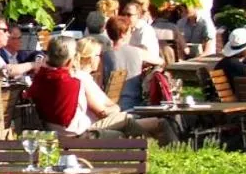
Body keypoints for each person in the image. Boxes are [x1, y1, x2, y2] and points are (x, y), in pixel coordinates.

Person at [28, 38, 170, 141]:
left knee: (124, 124)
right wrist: (115, 108)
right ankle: (149, 152)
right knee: (122, 133)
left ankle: (149, 150)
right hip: (78, 135)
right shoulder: (75, 80)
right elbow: (101, 112)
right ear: (71, 60)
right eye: (99, 56)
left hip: (60, 133)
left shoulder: (41, 79)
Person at [104, 15, 146, 111]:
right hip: (135, 104)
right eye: (130, 31)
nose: (131, 34)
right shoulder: (138, 52)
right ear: (123, 34)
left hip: (112, 105)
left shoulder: (103, 55)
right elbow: (160, 61)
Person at [122, 0, 164, 66]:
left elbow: (144, 53)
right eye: (124, 14)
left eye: (129, 15)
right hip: (130, 64)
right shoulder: (126, 28)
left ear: (138, 15)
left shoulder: (145, 30)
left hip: (146, 67)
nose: (125, 17)